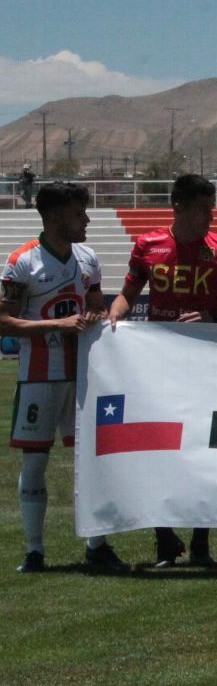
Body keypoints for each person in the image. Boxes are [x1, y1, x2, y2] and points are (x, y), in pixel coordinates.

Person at [107, 174, 217, 568]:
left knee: (204, 449)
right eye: (202, 208)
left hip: (205, 363)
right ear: (178, 207)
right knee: (154, 449)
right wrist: (112, 322)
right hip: (155, 365)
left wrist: (212, 316)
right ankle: (164, 538)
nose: (210, 216)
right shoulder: (148, 245)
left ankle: (201, 543)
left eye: (212, 207)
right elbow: (127, 296)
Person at [1, 182, 126, 573]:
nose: (87, 220)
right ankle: (34, 551)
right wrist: (61, 323)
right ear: (54, 217)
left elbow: (95, 311)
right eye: (79, 214)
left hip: (84, 378)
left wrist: (95, 319)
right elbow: (4, 321)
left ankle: (97, 545)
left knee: (91, 459)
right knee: (36, 462)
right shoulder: (23, 261)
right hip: (38, 376)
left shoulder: (88, 258)